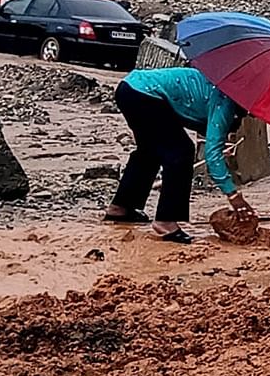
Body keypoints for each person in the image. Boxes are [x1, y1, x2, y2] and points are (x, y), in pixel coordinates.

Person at [108, 62, 253, 245]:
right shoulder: (226, 102)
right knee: (181, 152)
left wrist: (216, 146)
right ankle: (166, 221)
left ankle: (120, 207)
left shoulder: (222, 86)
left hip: (129, 88)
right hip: (145, 95)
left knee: (149, 150)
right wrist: (234, 196)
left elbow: (200, 124)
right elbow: (212, 155)